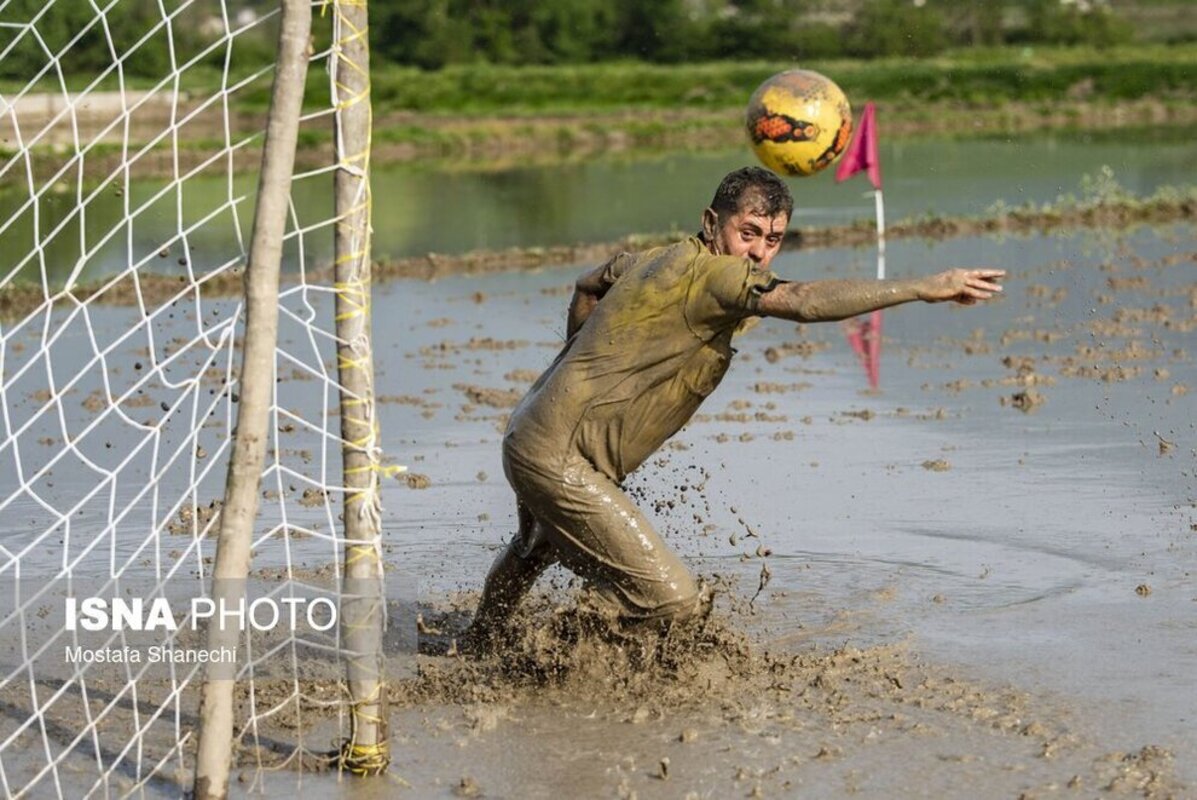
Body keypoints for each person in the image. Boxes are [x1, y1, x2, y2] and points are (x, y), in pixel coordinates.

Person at [468, 166, 1004, 642]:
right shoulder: (718, 274)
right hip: (560, 459)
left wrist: (575, 360)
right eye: (747, 233)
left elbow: (590, 283)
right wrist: (924, 286)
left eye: (773, 240)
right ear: (711, 222)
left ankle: (480, 643)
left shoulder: (658, 259)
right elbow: (801, 300)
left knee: (533, 547)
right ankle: (548, 655)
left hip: (529, 433)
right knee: (673, 600)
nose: (758, 252)